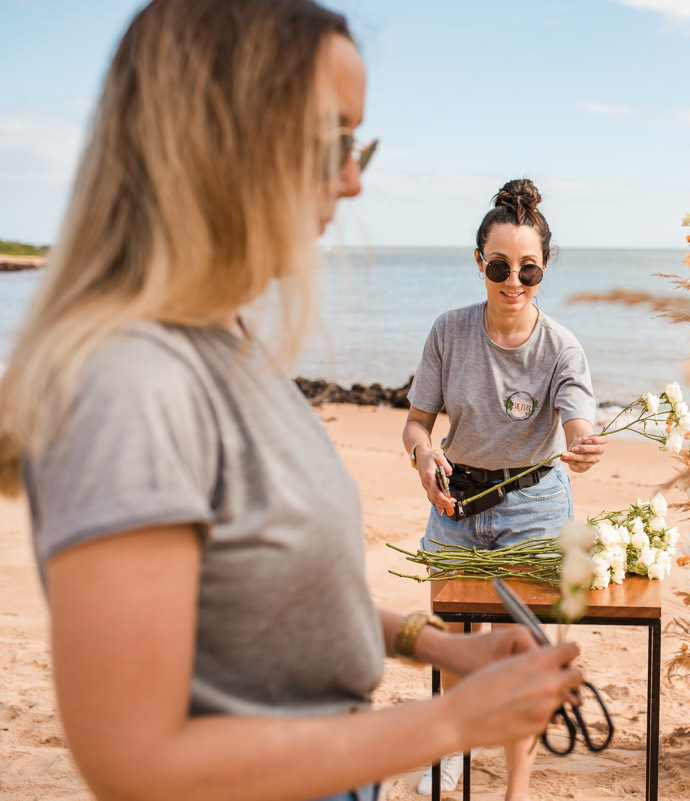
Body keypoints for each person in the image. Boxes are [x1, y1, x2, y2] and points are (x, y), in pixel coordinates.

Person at [0, 3, 582, 801]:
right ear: (224, 140)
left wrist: (441, 647)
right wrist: (456, 722)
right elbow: (133, 763)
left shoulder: (226, 344)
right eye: (335, 142)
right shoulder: (130, 382)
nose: (353, 178)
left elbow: (269, 588)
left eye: (359, 144)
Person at [402, 179, 607, 798]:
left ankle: (516, 787)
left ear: (544, 270)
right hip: (455, 506)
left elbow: (578, 415)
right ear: (478, 263)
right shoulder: (449, 332)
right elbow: (417, 422)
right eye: (499, 266)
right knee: (458, 653)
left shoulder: (561, 346)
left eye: (528, 270)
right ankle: (455, 750)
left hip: (535, 510)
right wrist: (423, 454)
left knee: (523, 659)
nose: (513, 282)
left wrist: (584, 442)